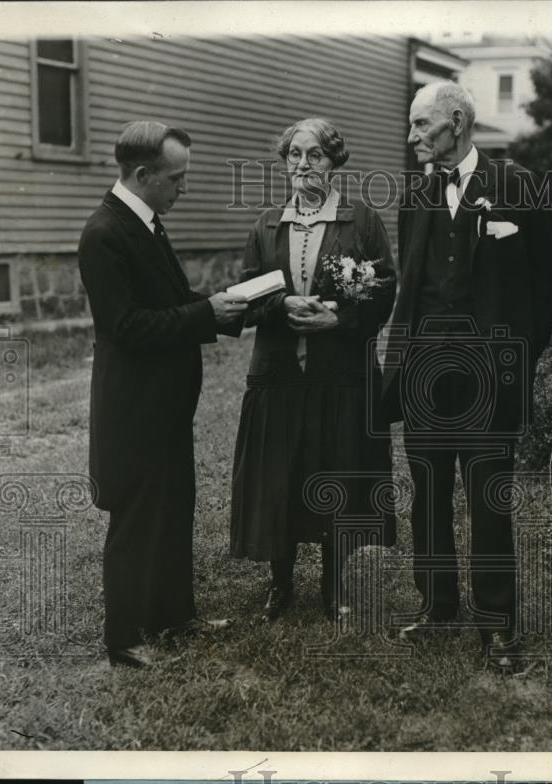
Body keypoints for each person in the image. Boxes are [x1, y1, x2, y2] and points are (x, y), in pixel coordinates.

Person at [383, 81, 552, 670]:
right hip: (424, 372)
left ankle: (498, 625)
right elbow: (412, 284)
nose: (412, 136)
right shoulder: (414, 194)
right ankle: (438, 605)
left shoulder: (517, 186)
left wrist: (518, 355)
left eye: (420, 125)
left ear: (456, 121)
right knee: (428, 495)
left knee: (490, 499)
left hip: (490, 376)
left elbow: (549, 283)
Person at [78, 121, 248, 668]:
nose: (184, 189)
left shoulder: (146, 222)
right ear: (143, 174)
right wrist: (206, 314)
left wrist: (233, 305)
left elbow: (170, 300)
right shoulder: (104, 232)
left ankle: (174, 618)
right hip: (134, 408)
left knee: (173, 509)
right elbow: (126, 326)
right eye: (177, 179)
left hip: (167, 404)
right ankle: (124, 639)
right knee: (137, 520)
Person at [230, 118, 396, 621]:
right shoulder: (266, 224)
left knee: (333, 474)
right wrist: (278, 308)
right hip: (280, 376)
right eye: (294, 156)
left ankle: (333, 586)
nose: (304, 165)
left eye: (315, 155)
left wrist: (338, 319)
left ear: (334, 161)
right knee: (279, 476)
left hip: (338, 376)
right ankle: (279, 585)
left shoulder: (361, 220)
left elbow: (384, 289)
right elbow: (245, 294)